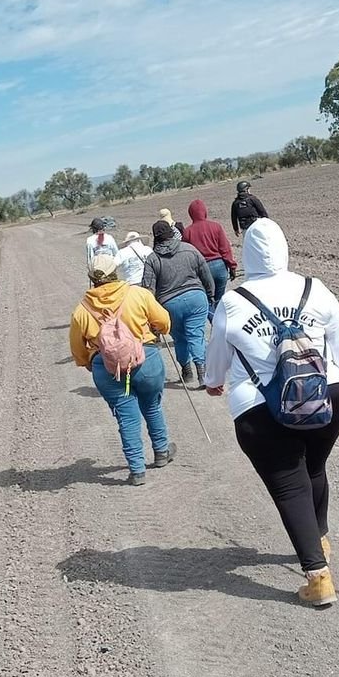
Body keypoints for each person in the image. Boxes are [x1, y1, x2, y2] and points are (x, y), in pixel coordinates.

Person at [203, 219, 339, 608]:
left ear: (247, 255)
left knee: (289, 484)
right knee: (314, 468)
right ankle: (318, 538)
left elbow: (216, 362)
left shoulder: (233, 302)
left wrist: (213, 382)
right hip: (328, 394)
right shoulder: (315, 288)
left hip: (260, 410)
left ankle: (318, 577)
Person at [69, 252, 174, 485]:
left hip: (108, 369)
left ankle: (137, 471)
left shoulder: (81, 310)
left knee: (127, 418)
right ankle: (161, 452)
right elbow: (164, 322)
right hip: (145, 360)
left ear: (92, 278)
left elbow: (77, 349)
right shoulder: (138, 294)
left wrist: (91, 363)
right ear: (115, 272)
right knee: (152, 406)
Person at [142, 219, 213, 388]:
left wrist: (150, 315)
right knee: (196, 335)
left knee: (180, 338)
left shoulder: (152, 259)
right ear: (171, 233)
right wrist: (210, 294)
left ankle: (186, 371)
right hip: (196, 298)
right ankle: (202, 372)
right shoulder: (189, 248)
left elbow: (148, 290)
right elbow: (205, 273)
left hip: (169, 304)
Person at [179, 198, 237, 312]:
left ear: (191, 214)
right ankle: (220, 319)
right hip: (220, 267)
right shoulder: (216, 226)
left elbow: (186, 255)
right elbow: (225, 248)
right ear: (205, 212)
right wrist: (232, 266)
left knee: (208, 301)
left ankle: (213, 319)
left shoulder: (187, 232)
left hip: (202, 269)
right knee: (219, 300)